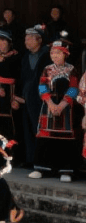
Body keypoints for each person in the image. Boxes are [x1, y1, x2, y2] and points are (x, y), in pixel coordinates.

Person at [30, 34, 78, 182]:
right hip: (48, 108)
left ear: (65, 54)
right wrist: (51, 104)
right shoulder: (47, 69)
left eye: (57, 53)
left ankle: (65, 171)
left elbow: (74, 89)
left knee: (64, 140)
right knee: (45, 137)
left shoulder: (72, 70)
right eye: (52, 53)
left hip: (66, 109)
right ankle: (41, 168)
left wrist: (62, 105)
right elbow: (42, 87)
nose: (54, 56)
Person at [15, 26, 49, 169]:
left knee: (39, 128)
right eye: (25, 39)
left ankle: (42, 160)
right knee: (27, 128)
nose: (26, 42)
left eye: (29, 39)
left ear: (39, 40)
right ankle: (30, 158)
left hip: (41, 98)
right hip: (26, 97)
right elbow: (21, 78)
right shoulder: (25, 57)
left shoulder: (46, 56)